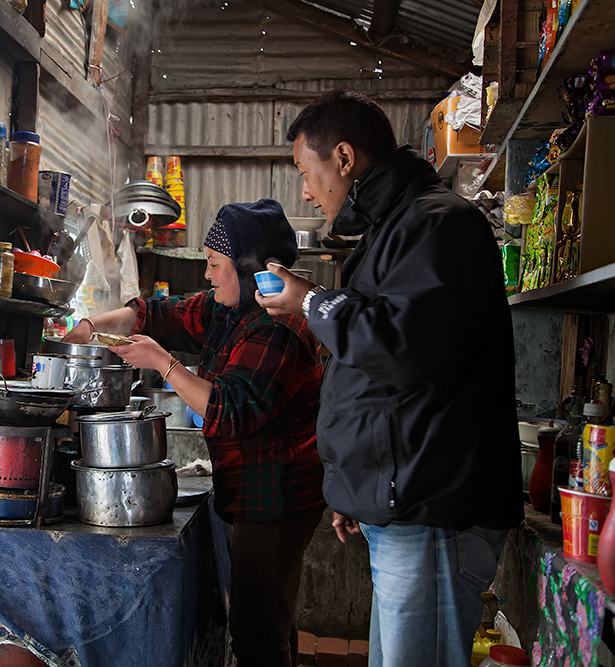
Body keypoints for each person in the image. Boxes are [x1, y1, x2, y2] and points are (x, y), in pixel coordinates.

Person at [255, 90, 524, 666]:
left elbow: (400, 349)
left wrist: (312, 303)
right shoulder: (396, 229)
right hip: (406, 503)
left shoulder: (438, 225)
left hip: (432, 509)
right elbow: (381, 383)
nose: (305, 189)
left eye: (307, 170)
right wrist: (360, 488)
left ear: (344, 159)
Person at [63, 199, 324, 667]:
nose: (207, 275)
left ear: (250, 270)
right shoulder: (229, 308)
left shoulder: (281, 327)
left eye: (215, 265)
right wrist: (89, 328)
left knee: (259, 633)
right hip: (248, 493)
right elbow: (154, 315)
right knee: (267, 621)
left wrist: (163, 362)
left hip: (276, 501)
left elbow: (231, 410)